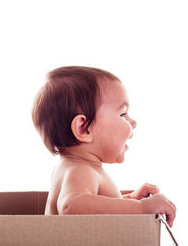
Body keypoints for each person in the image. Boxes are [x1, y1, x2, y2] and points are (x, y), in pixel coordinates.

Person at [32, 66, 176, 227]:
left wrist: (131, 199)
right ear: (83, 128)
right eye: (123, 114)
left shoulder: (77, 167)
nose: (133, 122)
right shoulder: (80, 169)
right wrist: (141, 207)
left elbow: (98, 206)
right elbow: (71, 206)